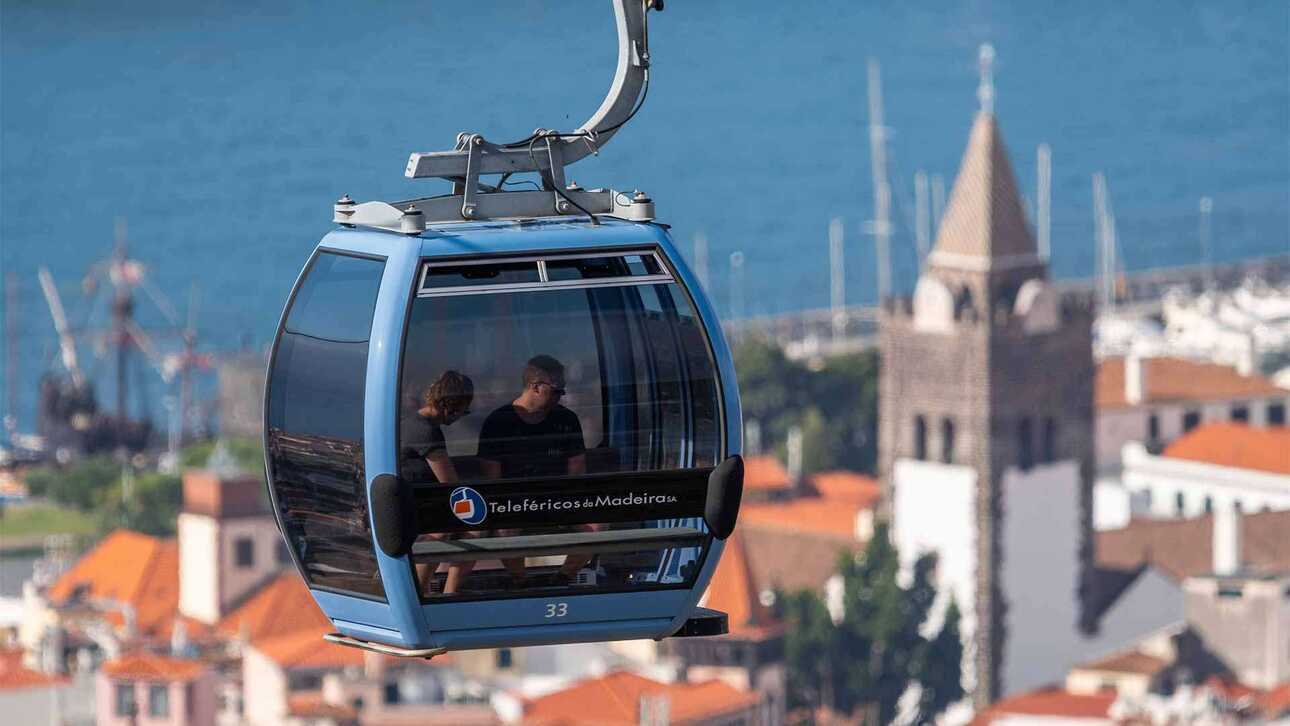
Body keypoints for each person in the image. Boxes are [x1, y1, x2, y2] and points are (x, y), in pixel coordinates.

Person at [477, 355, 591, 586]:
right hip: (514, 501)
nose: (562, 397)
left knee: (598, 523)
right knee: (505, 528)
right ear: (536, 387)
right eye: (557, 390)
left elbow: (577, 469)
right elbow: (492, 478)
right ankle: (520, 581)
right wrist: (508, 503)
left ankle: (562, 578)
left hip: (558, 499)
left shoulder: (567, 419)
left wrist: (569, 501)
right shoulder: (499, 421)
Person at [401, 370, 474, 595]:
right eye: (464, 410)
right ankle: (421, 591)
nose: (462, 415)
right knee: (463, 527)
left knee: (472, 529)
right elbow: (449, 483)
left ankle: (448, 593)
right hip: (413, 506)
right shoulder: (426, 431)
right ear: (453, 405)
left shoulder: (414, 422)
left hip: (418, 499)